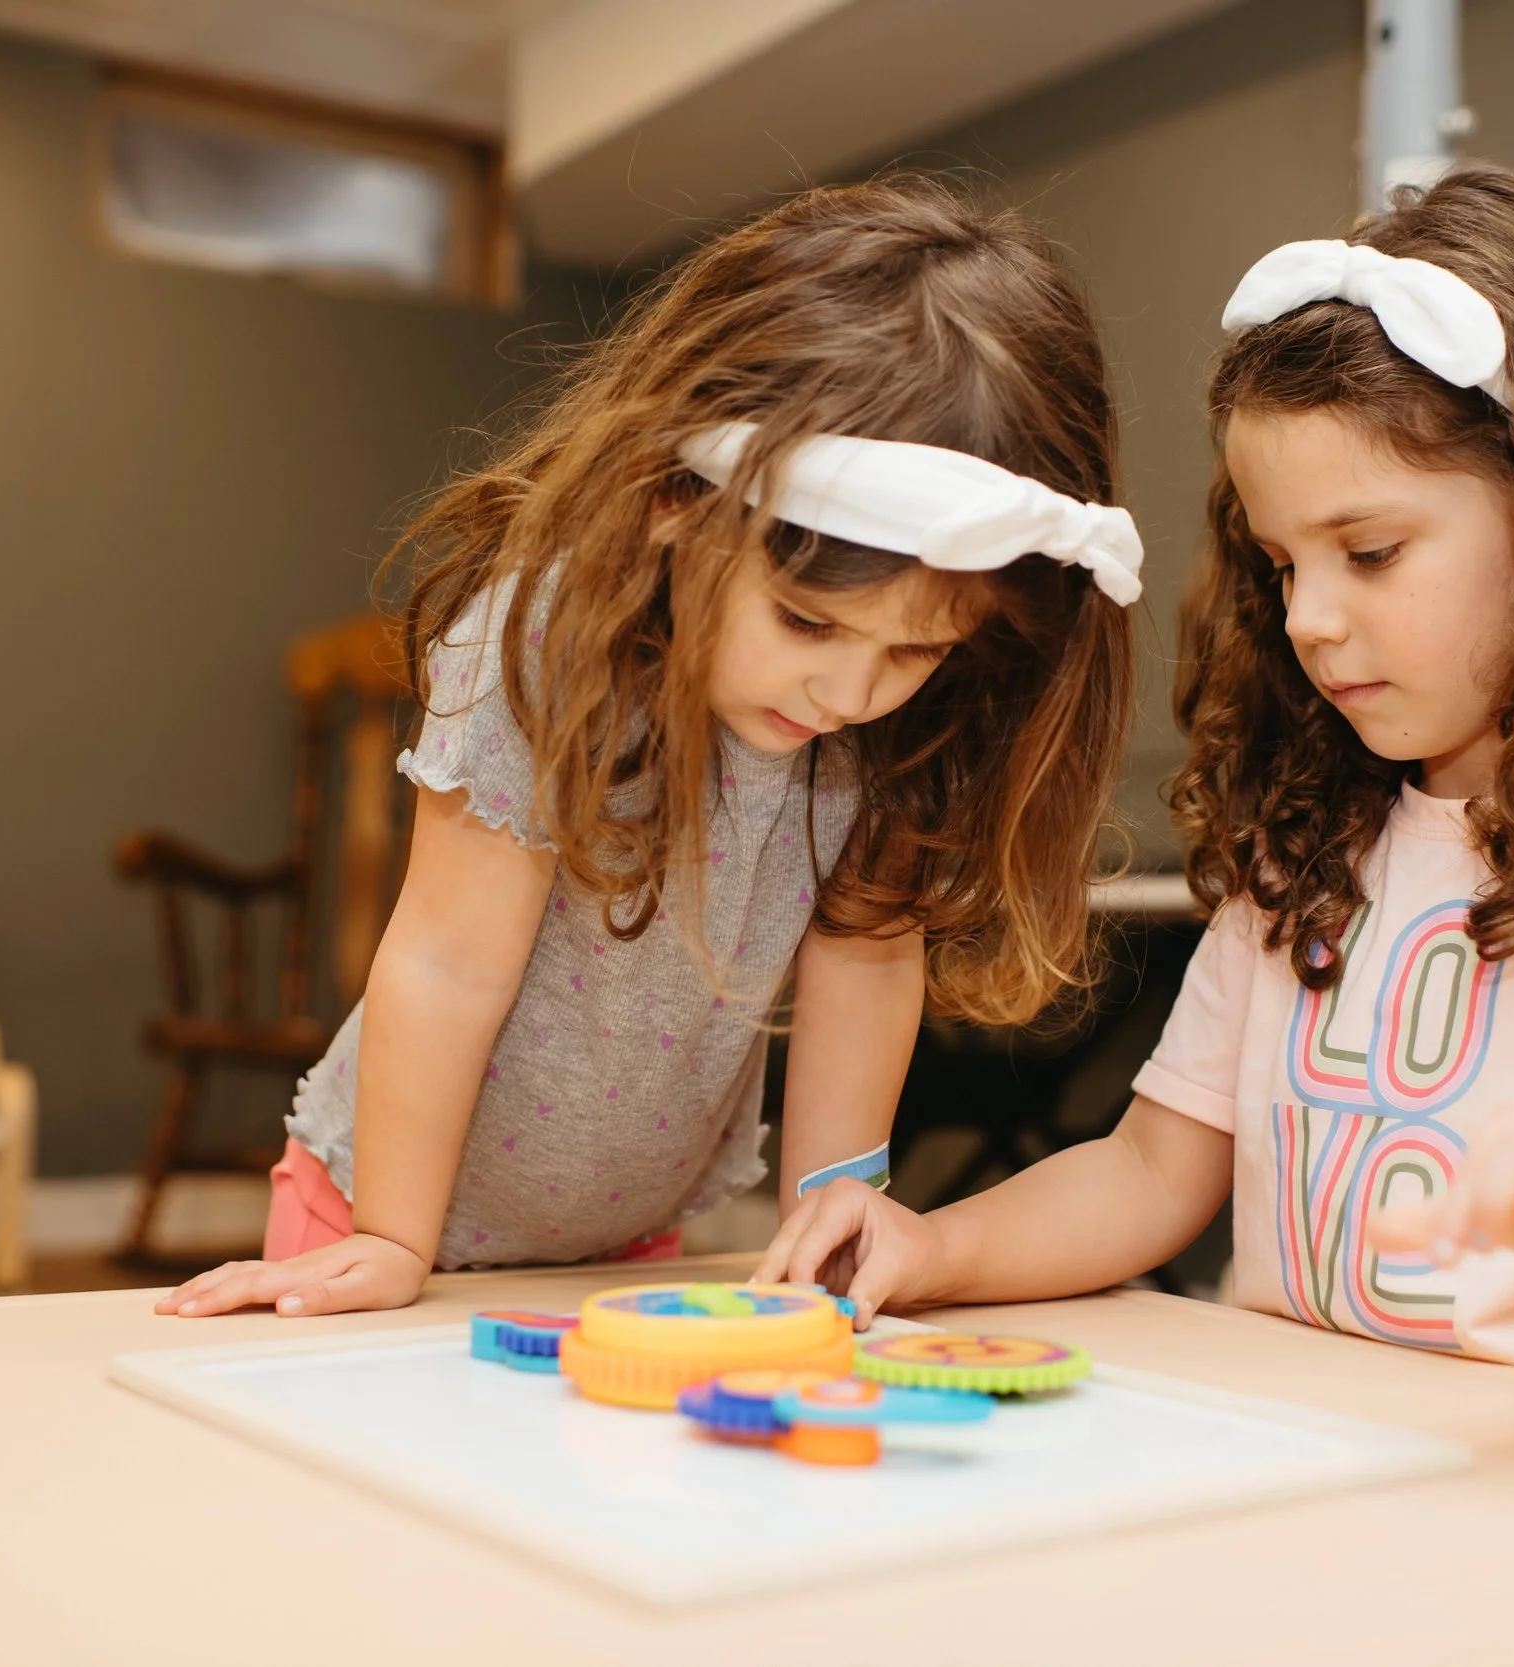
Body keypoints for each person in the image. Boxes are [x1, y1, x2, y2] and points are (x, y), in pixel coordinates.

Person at [758, 165, 1514, 1407]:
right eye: (1280, 565)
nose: (1310, 620)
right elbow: (1154, 1167)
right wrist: (932, 1245)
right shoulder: (1309, 844)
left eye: (1369, 552)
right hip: (1309, 1475)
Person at [163, 178, 1142, 1320]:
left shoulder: (896, 724)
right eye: (807, 621)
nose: (849, 690)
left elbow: (865, 959)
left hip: (632, 1241)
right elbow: (444, 961)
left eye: (915, 649)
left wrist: (828, 1223)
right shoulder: (543, 639)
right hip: (377, 1219)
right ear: (677, 499)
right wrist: (389, 1237)